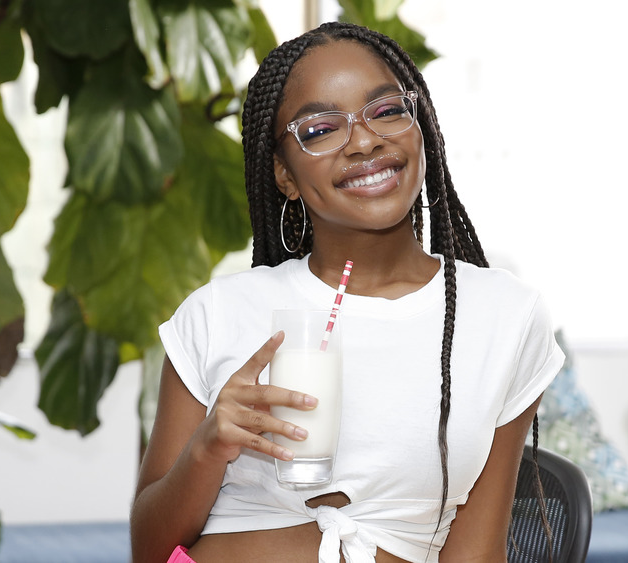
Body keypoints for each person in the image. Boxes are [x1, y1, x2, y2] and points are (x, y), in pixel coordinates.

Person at [130, 21, 564, 563]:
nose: (364, 140)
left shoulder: (503, 316)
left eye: (386, 111)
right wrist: (208, 448)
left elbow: (476, 550)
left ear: (420, 125)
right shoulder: (216, 315)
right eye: (319, 129)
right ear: (284, 176)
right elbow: (147, 551)